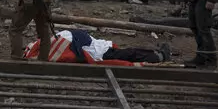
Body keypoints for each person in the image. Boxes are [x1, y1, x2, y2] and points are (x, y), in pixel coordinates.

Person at [23, 29, 172, 66]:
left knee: (124, 53)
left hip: (88, 45)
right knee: (125, 54)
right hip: (92, 50)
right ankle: (157, 56)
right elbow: (71, 53)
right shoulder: (49, 48)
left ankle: (156, 54)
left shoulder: (44, 47)